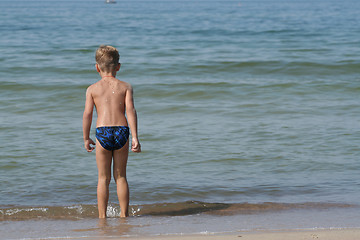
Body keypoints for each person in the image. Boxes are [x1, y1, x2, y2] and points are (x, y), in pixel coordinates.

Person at [82, 45, 141, 218]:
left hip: (103, 132)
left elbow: (87, 114)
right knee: (121, 176)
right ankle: (124, 215)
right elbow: (131, 111)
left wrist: (86, 137)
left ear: (97, 67)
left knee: (103, 178)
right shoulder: (125, 87)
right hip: (122, 131)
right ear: (118, 66)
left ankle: (102, 217)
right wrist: (135, 137)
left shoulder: (92, 89)